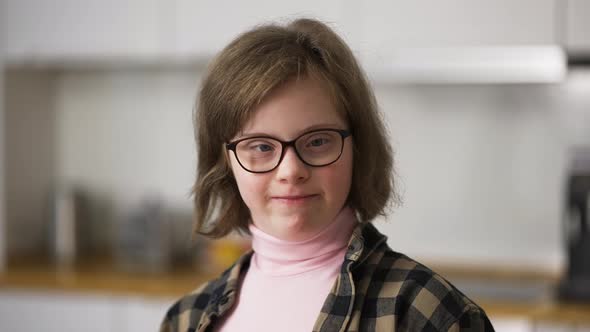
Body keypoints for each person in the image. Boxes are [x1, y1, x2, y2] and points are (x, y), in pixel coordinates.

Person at [160, 18, 495, 332]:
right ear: (226, 160)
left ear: (357, 148)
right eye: (261, 147)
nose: (291, 171)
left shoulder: (428, 313)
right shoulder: (187, 318)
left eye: (317, 141)